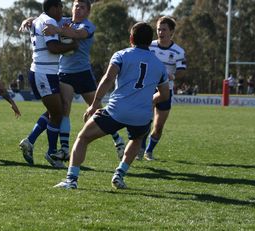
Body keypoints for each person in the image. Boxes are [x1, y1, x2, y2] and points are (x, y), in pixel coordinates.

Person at [53, 22, 169, 189]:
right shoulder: (159, 65)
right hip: (142, 115)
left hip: (117, 110)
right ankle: (120, 174)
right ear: (150, 41)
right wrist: (150, 101)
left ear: (131, 39)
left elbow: (107, 79)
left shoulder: (121, 55)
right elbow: (164, 95)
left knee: (83, 138)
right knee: (136, 139)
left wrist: (94, 104)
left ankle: (71, 180)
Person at [42, 0, 125, 161]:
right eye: (76, 6)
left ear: (87, 11)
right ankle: (65, 149)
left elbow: (76, 34)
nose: (78, 9)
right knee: (65, 107)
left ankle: (119, 142)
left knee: (98, 110)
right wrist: (31, 20)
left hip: (83, 73)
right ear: (72, 8)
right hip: (65, 72)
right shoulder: (63, 21)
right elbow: (46, 19)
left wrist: (57, 30)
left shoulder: (88, 26)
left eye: (82, 7)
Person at [18, 0, 78, 168]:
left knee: (54, 111)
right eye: (60, 7)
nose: (62, 10)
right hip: (44, 73)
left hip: (43, 72)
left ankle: (30, 141)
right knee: (57, 114)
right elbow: (53, 47)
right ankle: (52, 153)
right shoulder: (49, 21)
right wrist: (72, 45)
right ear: (53, 8)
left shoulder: (39, 20)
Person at [138, 16, 186, 161]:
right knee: (145, 120)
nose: (160, 32)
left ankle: (149, 151)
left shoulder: (178, 51)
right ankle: (140, 148)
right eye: (158, 29)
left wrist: (172, 75)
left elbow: (182, 70)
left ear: (171, 32)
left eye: (164, 29)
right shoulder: (149, 46)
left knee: (158, 126)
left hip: (166, 91)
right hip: (148, 89)